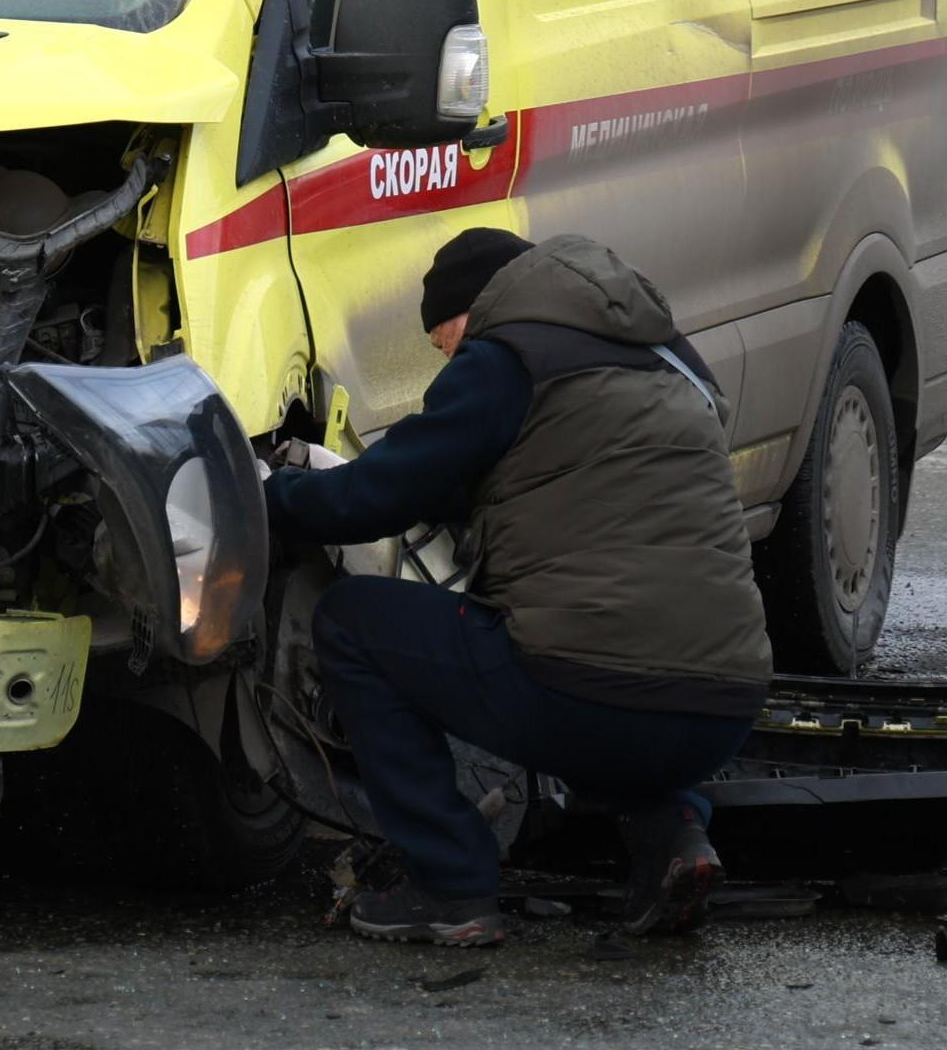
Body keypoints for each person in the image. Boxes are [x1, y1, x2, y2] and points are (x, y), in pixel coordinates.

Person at [266, 228, 771, 948]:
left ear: (476, 309)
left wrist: (274, 497)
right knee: (605, 646)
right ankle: (674, 837)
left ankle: (448, 885)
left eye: (442, 339)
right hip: (726, 704)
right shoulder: (673, 361)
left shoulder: (507, 356)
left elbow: (379, 495)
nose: (446, 357)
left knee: (357, 624)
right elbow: (569, 483)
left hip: (587, 689)